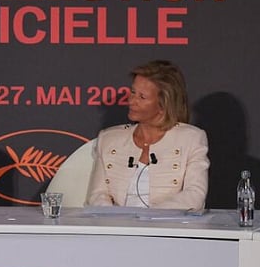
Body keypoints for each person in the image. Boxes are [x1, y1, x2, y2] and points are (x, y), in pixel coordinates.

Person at [86, 60, 209, 210]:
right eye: (132, 92)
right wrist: (116, 222)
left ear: (163, 105)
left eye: (142, 97)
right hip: (117, 227)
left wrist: (149, 220)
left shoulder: (191, 139)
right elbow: (97, 195)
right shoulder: (109, 139)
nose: (131, 101)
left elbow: (194, 196)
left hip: (167, 227)